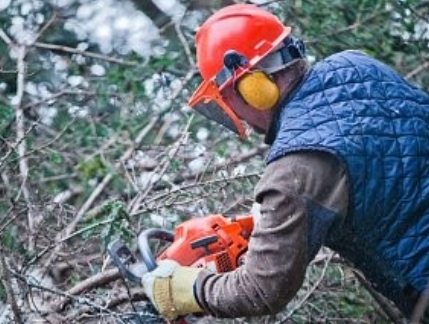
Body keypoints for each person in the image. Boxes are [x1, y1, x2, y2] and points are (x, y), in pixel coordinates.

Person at [141, 3, 429, 322]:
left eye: (228, 101)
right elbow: (387, 174)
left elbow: (261, 291)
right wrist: (269, 222)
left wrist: (191, 289)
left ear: (252, 86)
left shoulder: (295, 167)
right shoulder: (355, 65)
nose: (239, 119)